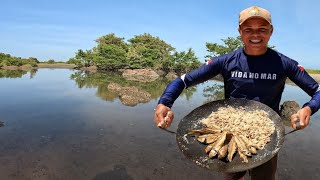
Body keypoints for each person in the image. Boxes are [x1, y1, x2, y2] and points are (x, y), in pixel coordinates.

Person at [153, 5, 320, 180]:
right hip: (228, 133)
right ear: (240, 31)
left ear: (271, 31)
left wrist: (308, 108)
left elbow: (317, 90)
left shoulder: (285, 64)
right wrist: (165, 102)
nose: (255, 35)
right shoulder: (226, 61)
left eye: (262, 29)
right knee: (232, 176)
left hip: (266, 136)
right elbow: (181, 81)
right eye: (248, 30)